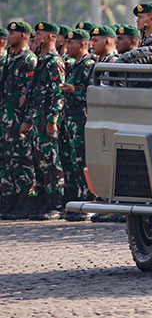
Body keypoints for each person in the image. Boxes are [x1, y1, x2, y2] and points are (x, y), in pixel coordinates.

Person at [16, 22, 66, 220]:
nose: (35, 37)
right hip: (37, 118)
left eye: (39, 34)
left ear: (49, 37)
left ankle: (56, 204)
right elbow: (36, 94)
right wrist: (28, 119)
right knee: (40, 162)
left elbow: (58, 93)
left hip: (47, 119)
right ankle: (45, 202)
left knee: (52, 162)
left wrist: (53, 119)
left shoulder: (54, 62)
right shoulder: (42, 61)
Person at [0, 21, 37, 219]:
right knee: (8, 162)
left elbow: (29, 95)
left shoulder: (28, 60)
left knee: (22, 161)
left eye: (13, 32)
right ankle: (10, 201)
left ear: (24, 35)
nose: (10, 35)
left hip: (18, 119)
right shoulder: (10, 58)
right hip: (6, 118)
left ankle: (26, 202)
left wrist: (28, 120)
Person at [59, 28, 95, 220]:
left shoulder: (90, 65)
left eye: (71, 43)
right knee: (74, 162)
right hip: (71, 120)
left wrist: (74, 90)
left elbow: (93, 93)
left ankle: (88, 201)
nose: (67, 46)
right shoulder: (74, 65)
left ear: (82, 44)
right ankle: (78, 201)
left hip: (83, 119)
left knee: (83, 162)